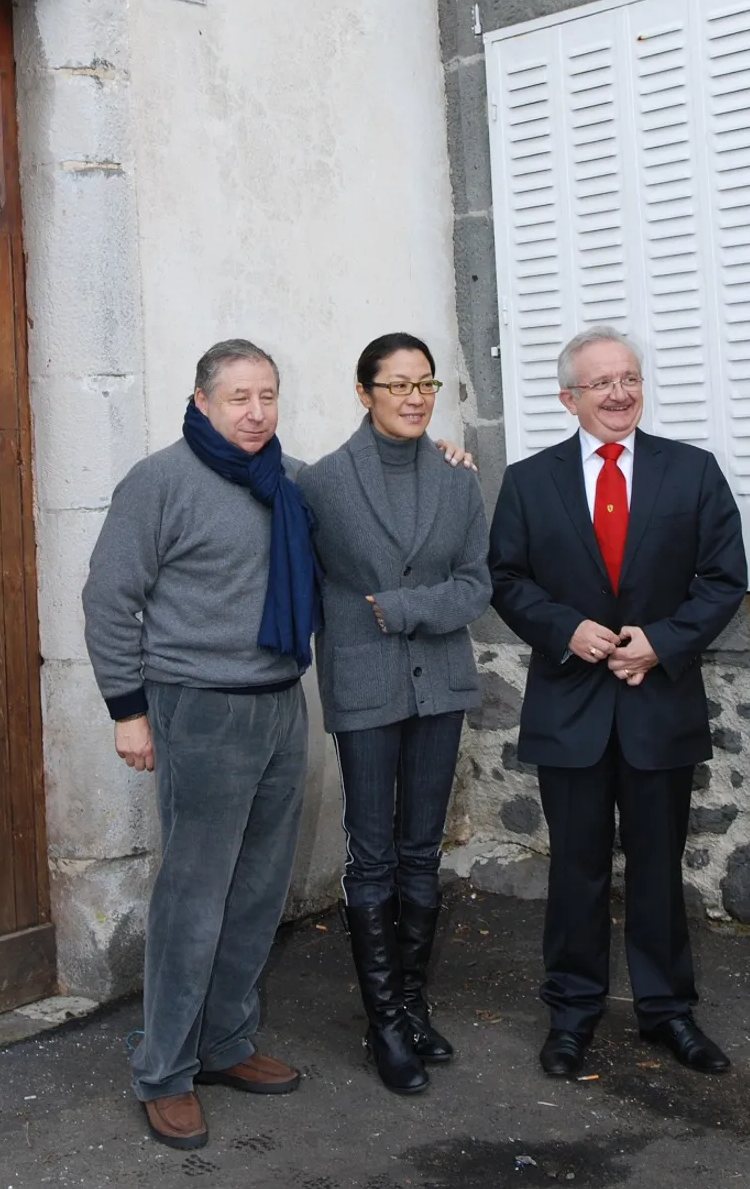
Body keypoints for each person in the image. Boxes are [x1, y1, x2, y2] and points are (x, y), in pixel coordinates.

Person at [488, 327, 747, 1079]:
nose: (619, 393)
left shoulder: (691, 472)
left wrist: (660, 641)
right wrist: (565, 627)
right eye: (601, 382)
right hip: (569, 708)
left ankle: (669, 1012)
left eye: (628, 377)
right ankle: (571, 1013)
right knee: (576, 869)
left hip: (657, 702)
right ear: (569, 396)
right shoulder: (530, 481)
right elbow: (506, 579)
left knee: (660, 867)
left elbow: (722, 578)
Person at [82, 339, 317, 1150]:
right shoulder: (160, 481)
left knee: (257, 891)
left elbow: (366, 490)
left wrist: (439, 451)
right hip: (200, 709)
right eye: (239, 397)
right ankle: (165, 1069)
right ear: (202, 400)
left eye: (268, 395)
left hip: (282, 701)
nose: (255, 411)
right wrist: (128, 708)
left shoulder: (285, 480)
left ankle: (223, 1044)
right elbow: (109, 596)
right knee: (193, 897)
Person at [297, 333, 491, 1095]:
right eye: (397, 384)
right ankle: (383, 1023)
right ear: (364, 390)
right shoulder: (322, 482)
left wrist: (409, 606)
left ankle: (412, 1003)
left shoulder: (457, 477)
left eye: (425, 383)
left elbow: (477, 583)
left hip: (440, 680)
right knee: (371, 850)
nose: (415, 397)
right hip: (365, 685)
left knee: (420, 848)